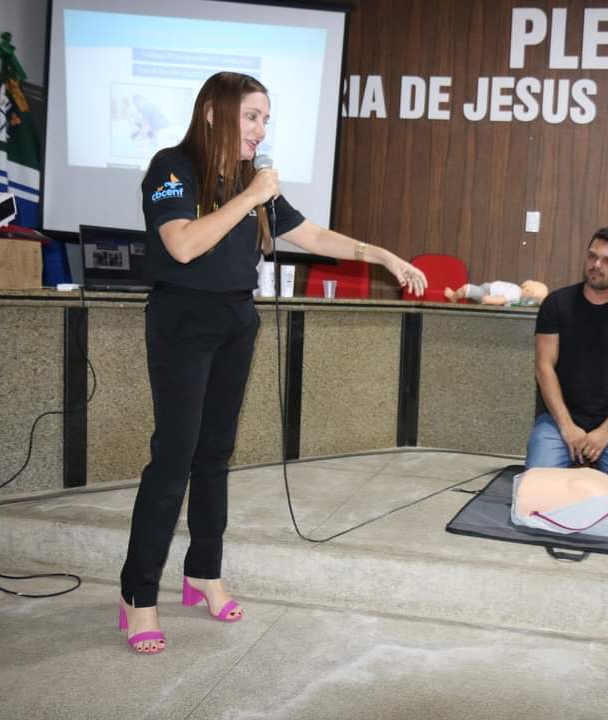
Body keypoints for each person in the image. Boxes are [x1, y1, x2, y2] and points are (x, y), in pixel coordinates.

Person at [118, 72, 428, 655]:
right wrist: (251, 196)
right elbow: (182, 244)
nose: (261, 130)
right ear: (214, 111)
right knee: (174, 457)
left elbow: (311, 234)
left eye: (266, 119)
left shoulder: (250, 180)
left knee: (215, 456)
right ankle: (138, 594)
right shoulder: (173, 166)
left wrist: (382, 255)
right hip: (183, 321)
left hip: (236, 319)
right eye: (251, 117)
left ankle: (203, 572)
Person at [525, 228, 608, 488]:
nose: (596, 265)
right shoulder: (556, 304)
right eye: (592, 256)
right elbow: (544, 368)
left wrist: (606, 432)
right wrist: (566, 426)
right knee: (536, 489)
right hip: (558, 421)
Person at [444, 279, 548, 306]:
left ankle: (454, 296)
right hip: (487, 289)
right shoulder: (517, 291)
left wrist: (490, 300)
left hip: (487, 294)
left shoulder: (515, 293)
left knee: (466, 289)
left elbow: (502, 300)